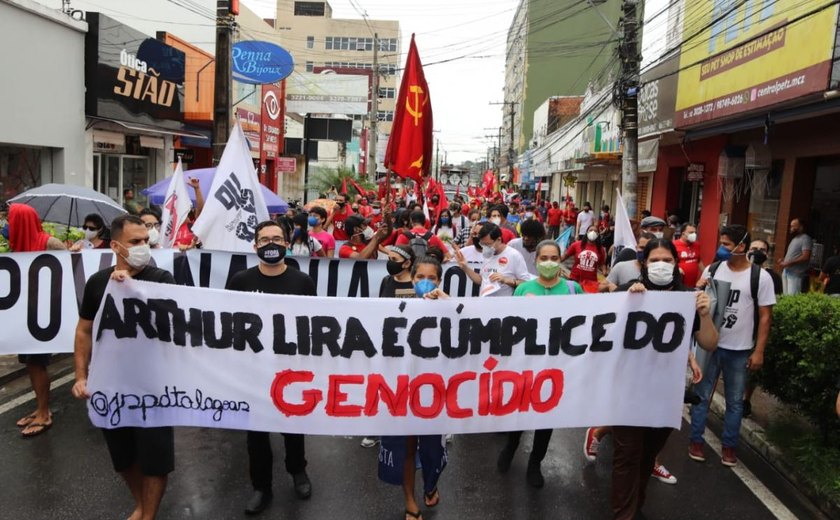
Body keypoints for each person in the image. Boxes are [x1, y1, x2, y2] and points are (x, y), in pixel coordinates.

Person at [71, 214, 174, 519]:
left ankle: (149, 514)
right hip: (111, 386)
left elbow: (175, 327)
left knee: (155, 458)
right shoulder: (97, 283)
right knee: (123, 457)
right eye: (135, 242)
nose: (144, 246)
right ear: (116, 245)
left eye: (146, 240)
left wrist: (132, 289)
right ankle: (140, 504)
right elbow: (84, 330)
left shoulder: (162, 279)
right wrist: (80, 375)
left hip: (153, 387)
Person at [610, 238, 718, 520]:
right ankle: (624, 514)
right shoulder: (626, 292)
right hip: (627, 391)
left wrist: (704, 315)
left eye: (667, 260)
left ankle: (636, 505)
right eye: (654, 260)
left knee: (647, 455)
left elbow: (709, 343)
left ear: (676, 264)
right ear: (643, 264)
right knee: (626, 454)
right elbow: (601, 334)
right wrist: (625, 300)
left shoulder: (689, 299)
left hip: (664, 394)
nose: (661, 265)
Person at [226, 220, 316, 515]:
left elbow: (313, 324)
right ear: (254, 246)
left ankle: (298, 471)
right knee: (257, 433)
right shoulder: (240, 280)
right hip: (253, 368)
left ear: (287, 244)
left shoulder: (302, 281)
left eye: (277, 239)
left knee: (293, 424)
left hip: (290, 367)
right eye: (264, 240)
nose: (271, 245)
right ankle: (261, 486)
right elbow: (228, 321)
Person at [497, 240, 582, 488]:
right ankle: (511, 446)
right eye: (544, 258)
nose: (548, 262)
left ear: (560, 260)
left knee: (547, 415)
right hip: (527, 362)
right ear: (535, 261)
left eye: (554, 258)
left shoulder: (573, 288)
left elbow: (590, 321)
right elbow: (511, 325)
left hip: (559, 364)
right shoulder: (524, 289)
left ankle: (535, 463)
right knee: (521, 410)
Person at [690, 225, 776, 467]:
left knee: (735, 401)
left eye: (727, 244)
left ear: (742, 247)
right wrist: (699, 287)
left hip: (738, 350)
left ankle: (729, 446)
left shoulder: (760, 277)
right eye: (722, 242)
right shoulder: (713, 269)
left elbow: (766, 317)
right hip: (710, 346)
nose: (722, 248)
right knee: (701, 395)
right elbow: (699, 300)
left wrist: (758, 351)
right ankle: (696, 440)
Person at [378, 255, 448, 520]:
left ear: (440, 281)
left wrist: (447, 305)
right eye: (420, 277)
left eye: (432, 278)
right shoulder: (396, 307)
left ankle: (430, 484)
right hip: (404, 389)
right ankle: (409, 500)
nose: (426, 283)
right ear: (412, 278)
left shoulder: (451, 307)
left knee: (433, 448)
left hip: (436, 391)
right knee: (406, 448)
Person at [8, 204, 66, 437]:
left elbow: (69, 273)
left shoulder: (49, 243)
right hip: (27, 314)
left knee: (37, 363)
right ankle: (39, 408)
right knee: (30, 364)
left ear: (21, 221)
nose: (7, 226)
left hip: (44, 316)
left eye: (10, 221)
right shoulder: (17, 246)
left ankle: (44, 413)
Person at [360, 244, 418, 449]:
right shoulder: (386, 280)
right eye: (389, 259)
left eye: (394, 260)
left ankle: (412, 429)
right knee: (383, 385)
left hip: (411, 345)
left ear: (407, 263)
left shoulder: (418, 283)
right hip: (387, 344)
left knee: (409, 385)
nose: (390, 263)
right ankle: (379, 428)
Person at [454, 222, 530, 297]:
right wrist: (465, 267)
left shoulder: (514, 255)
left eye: (487, 244)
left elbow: (526, 284)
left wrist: (506, 280)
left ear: (499, 240)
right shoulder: (487, 254)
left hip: (504, 305)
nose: (485, 248)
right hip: (485, 304)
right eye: (482, 244)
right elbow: (482, 280)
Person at [561, 224, 607, 293]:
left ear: (598, 235)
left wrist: (604, 271)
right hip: (575, 279)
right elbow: (565, 256)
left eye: (595, 231)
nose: (593, 232)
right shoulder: (576, 245)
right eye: (591, 230)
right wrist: (555, 261)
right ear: (586, 232)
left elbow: (602, 263)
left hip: (591, 282)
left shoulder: (600, 249)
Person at [778, 218, 812, 295]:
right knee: (785, 297)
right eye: (791, 226)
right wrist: (784, 260)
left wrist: (788, 263)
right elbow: (794, 255)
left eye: (794, 226)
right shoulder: (795, 239)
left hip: (795, 273)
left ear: (801, 227)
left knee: (792, 297)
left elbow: (805, 256)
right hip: (786, 271)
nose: (791, 228)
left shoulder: (805, 238)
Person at [673, 223, 704, 288]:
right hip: (679, 282)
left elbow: (699, 261)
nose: (694, 234)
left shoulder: (697, 245)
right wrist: (676, 269)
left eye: (695, 232)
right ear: (683, 233)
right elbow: (669, 261)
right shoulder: (674, 244)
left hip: (693, 283)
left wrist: (706, 273)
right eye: (691, 232)